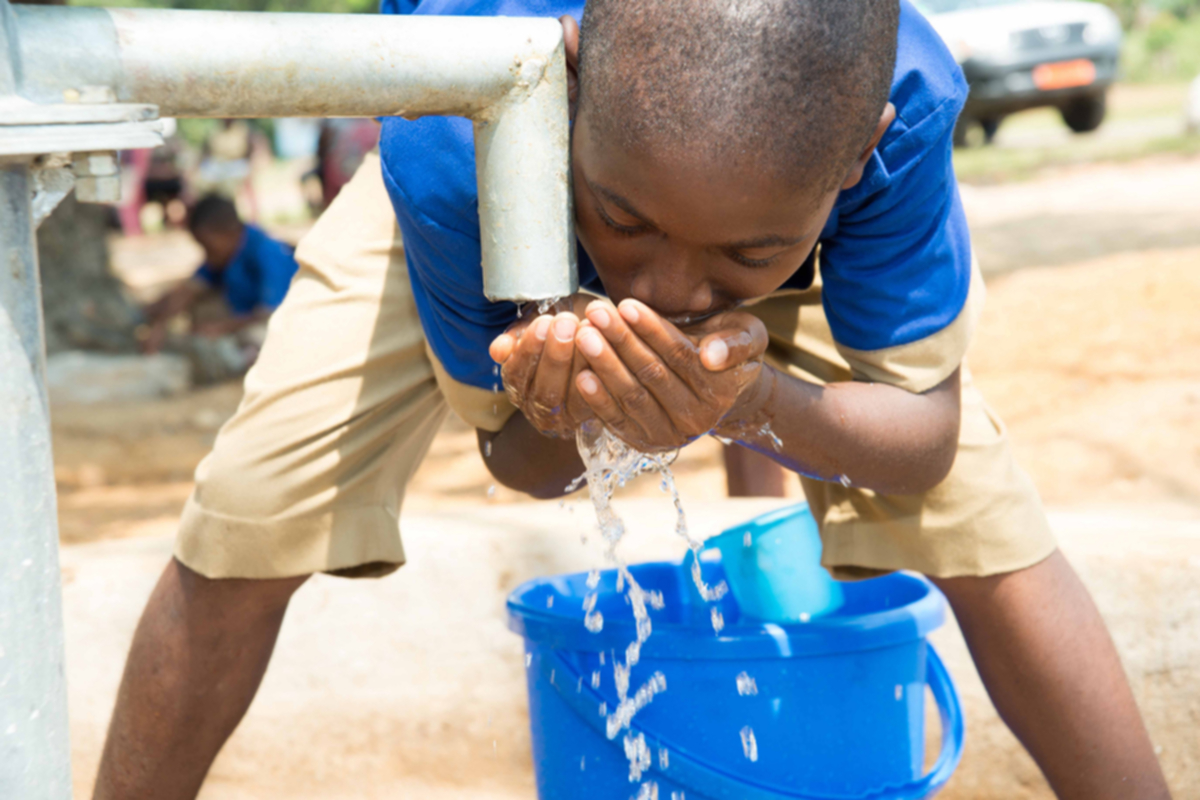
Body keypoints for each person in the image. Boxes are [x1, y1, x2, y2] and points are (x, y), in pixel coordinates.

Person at [93, 2, 1170, 799]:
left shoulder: (896, 107)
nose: (666, 295)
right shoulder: (449, 128)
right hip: (498, 154)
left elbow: (922, 438)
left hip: (757, 182)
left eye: (738, 254)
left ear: (859, 154)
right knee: (255, 503)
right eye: (628, 227)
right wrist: (577, 402)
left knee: (985, 523)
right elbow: (520, 463)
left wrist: (753, 401)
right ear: (568, 78)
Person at [141, 194, 298, 380]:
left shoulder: (267, 252)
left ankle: (240, 363)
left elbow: (272, 312)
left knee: (262, 338)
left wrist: (222, 328)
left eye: (208, 247)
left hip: (283, 321)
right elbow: (191, 288)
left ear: (229, 232)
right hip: (242, 316)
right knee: (198, 306)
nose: (206, 254)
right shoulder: (225, 254)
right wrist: (160, 324)